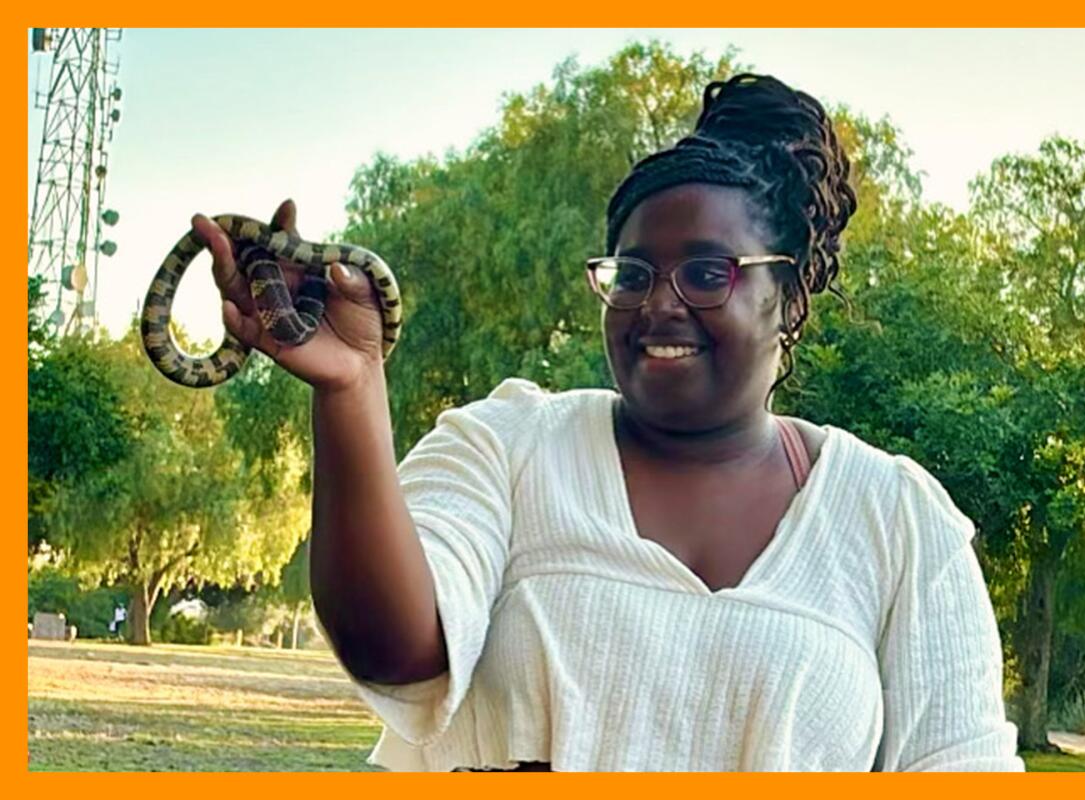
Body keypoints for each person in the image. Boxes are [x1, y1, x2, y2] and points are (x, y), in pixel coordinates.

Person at [196, 73, 1022, 772]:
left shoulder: (899, 522)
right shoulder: (509, 445)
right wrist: (351, 390)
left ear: (790, 301)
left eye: (707, 272)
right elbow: (398, 651)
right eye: (633, 273)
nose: (659, 303)